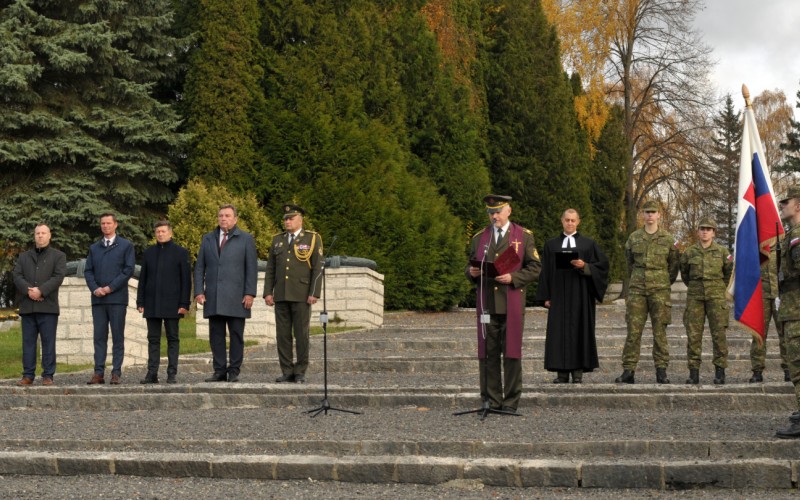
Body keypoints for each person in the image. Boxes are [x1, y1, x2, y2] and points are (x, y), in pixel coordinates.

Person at [466, 195, 541, 413]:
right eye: (491, 212)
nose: (494, 216)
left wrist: (514, 278)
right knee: (488, 354)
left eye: (498, 211)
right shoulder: (480, 238)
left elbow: (535, 267)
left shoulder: (523, 236)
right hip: (487, 304)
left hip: (511, 303)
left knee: (511, 353)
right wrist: (470, 272)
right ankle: (491, 400)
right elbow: (470, 265)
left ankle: (509, 402)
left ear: (509, 210)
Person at [535, 209, 609, 383]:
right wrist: (545, 296)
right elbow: (545, 271)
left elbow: (603, 266)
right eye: (567, 220)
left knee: (580, 330)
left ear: (578, 222)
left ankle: (577, 373)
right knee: (558, 332)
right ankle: (561, 374)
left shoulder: (588, 244)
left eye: (573, 220)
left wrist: (585, 266)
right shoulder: (551, 245)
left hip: (581, 296)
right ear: (562, 221)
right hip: (558, 296)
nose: (570, 223)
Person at [616, 200, 679, 384]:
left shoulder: (668, 239)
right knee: (633, 332)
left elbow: (673, 266)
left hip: (660, 291)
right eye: (647, 212)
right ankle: (628, 371)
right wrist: (638, 279)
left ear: (659, 215)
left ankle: (661, 370)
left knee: (660, 332)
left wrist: (663, 281)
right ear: (642, 215)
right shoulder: (634, 238)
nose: (650, 215)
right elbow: (629, 263)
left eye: (653, 212)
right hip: (637, 291)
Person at [194, 204, 257, 383]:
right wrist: (199, 291)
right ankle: (219, 370)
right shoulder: (208, 239)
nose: (223, 218)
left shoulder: (246, 239)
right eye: (221, 215)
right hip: (213, 296)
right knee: (216, 336)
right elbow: (199, 268)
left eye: (227, 216)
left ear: (235, 219)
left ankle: (234, 371)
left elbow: (251, 268)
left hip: (237, 297)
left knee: (236, 335)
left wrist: (250, 293)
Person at [264, 204, 323, 384]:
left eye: (291, 218)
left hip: (301, 293)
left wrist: (314, 293)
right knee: (282, 335)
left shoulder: (312, 238)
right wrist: (268, 292)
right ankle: (287, 370)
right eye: (285, 219)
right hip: (281, 294)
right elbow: (271, 269)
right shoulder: (278, 240)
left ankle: (300, 371)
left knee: (301, 334)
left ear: (300, 219)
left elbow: (318, 268)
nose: (287, 221)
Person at [136, 221, 191, 384]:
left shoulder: (181, 252)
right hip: (152, 302)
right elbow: (143, 279)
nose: (160, 234)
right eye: (158, 231)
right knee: (153, 339)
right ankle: (152, 373)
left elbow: (186, 281)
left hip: (173, 303)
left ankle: (171, 373)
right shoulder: (149, 253)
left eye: (163, 231)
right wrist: (141, 300)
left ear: (170, 233)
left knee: (173, 338)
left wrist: (184, 303)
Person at [679, 217, 733, 385]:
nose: (705, 231)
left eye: (708, 229)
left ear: (714, 233)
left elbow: (728, 273)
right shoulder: (689, 252)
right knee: (694, 335)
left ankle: (720, 371)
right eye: (702, 228)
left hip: (716, 297)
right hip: (695, 296)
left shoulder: (723, 252)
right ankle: (693, 372)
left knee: (719, 335)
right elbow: (685, 274)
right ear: (698, 231)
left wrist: (717, 287)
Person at [12, 224, 66, 386]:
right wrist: (29, 291)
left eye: (43, 233)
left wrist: (41, 291)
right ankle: (28, 375)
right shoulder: (24, 257)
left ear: (50, 236)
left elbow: (58, 277)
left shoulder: (59, 256)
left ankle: (48, 375)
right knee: (28, 343)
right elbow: (17, 275)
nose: (40, 236)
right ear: (34, 236)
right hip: (28, 307)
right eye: (37, 233)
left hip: (48, 307)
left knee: (48, 342)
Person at [84, 213, 135, 385]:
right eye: (103, 223)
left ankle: (116, 372)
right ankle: (98, 372)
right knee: (99, 337)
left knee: (117, 336)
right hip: (98, 300)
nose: (105, 226)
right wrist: (95, 288)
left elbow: (128, 270)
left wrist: (110, 287)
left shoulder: (126, 246)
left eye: (108, 223)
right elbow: (88, 271)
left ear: (115, 225)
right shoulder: (94, 248)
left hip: (117, 299)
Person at [775, 186, 800, 438]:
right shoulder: (791, 235)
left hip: (798, 313)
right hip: (792, 310)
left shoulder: (798, 236)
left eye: (786, 202)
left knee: (799, 366)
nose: (782, 205)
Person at [749, 245, 790, 383]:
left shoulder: (784, 247)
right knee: (759, 335)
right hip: (761, 296)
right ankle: (757, 370)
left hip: (782, 295)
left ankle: (789, 369)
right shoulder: (755, 247)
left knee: (785, 333)